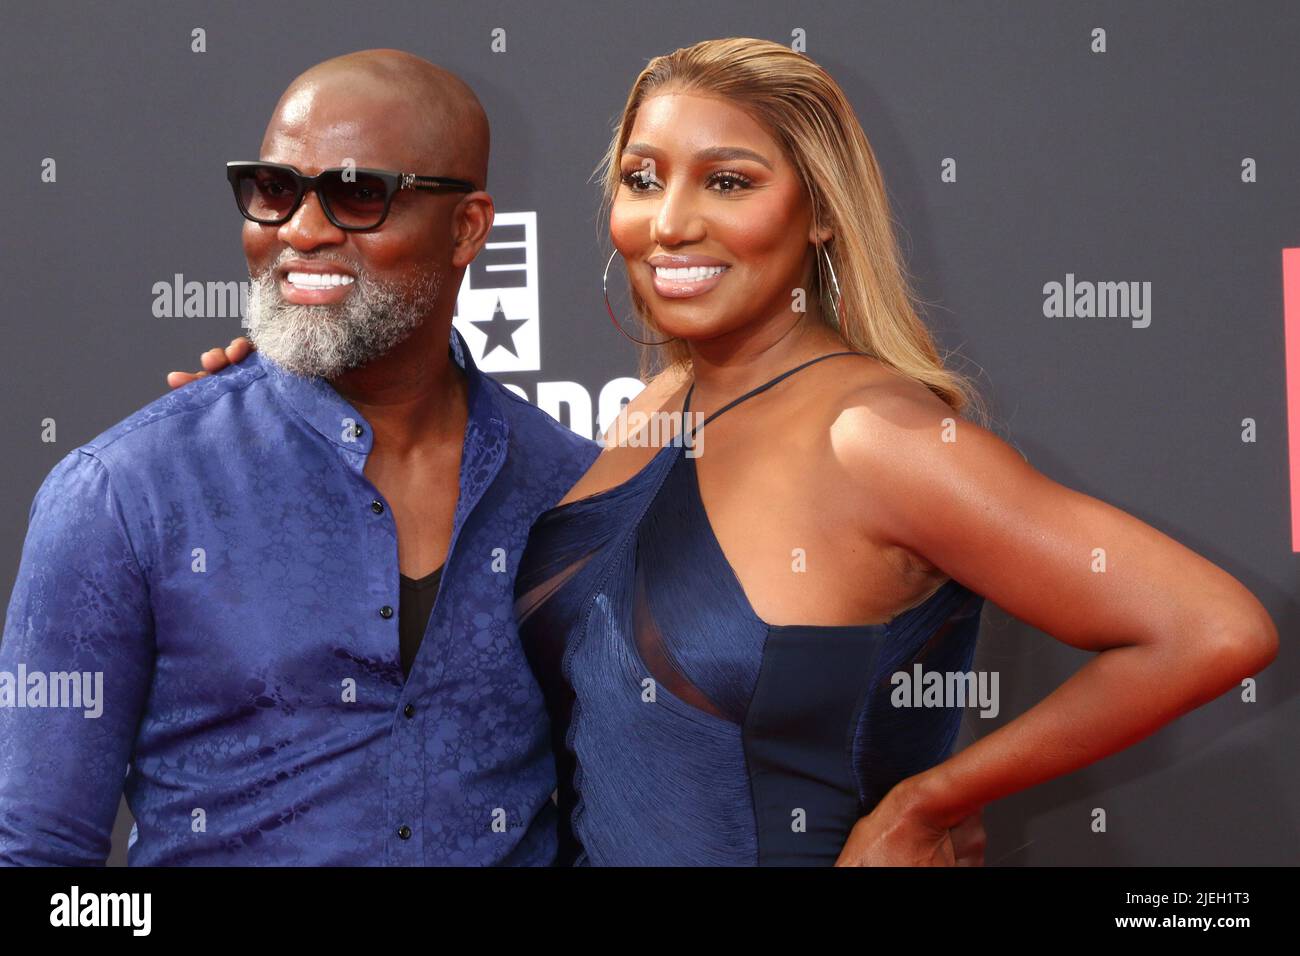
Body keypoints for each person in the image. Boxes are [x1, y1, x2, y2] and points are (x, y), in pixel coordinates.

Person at [169, 38, 1278, 868]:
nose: (671, 222)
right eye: (644, 179)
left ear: (822, 213)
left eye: (729, 181)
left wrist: (929, 801)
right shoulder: (645, 413)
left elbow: (1210, 629)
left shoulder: (874, 434)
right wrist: (281, 388)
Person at [0, 49, 597, 865]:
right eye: (275, 190)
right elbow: (37, 857)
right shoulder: (124, 492)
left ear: (468, 228)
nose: (301, 231)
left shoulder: (575, 489)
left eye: (357, 194)